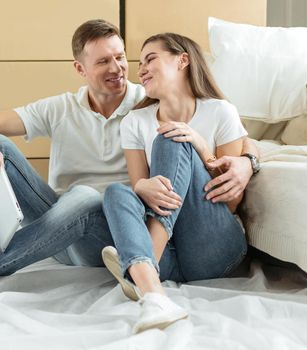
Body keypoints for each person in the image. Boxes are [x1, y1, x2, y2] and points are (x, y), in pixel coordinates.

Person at [0, 20, 259, 301]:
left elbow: (231, 136)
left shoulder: (147, 100)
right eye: (103, 62)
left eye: (120, 57)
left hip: (114, 229)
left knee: (88, 196)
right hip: (56, 224)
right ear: (80, 69)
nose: (118, 68)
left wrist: (248, 162)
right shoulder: (61, 108)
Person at [101, 33, 259, 333]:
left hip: (215, 246)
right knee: (116, 192)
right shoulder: (134, 122)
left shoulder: (220, 111)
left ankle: (141, 267)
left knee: (170, 138)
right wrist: (139, 187)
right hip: (171, 256)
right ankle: (153, 292)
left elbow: (231, 202)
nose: (141, 69)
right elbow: (142, 190)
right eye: (139, 63)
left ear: (182, 60)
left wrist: (199, 145)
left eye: (150, 59)